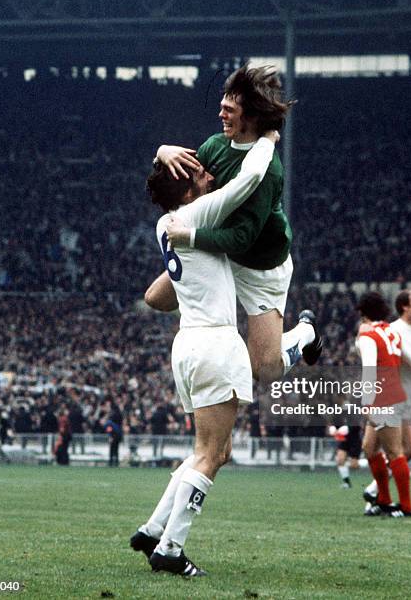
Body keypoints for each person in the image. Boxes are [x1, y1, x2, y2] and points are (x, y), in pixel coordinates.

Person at [130, 130, 280, 577]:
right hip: (215, 342)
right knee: (210, 454)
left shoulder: (165, 225)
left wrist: (160, 149)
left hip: (187, 345)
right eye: (199, 173)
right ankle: (171, 549)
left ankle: (154, 529)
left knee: (213, 450)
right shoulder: (195, 212)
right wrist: (269, 138)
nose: (208, 174)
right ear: (190, 190)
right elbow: (249, 179)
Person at [144, 64, 322, 383]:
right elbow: (183, 180)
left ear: (251, 118)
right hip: (218, 249)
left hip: (259, 266)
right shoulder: (215, 146)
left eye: (229, 109)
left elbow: (242, 238)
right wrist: (162, 152)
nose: (221, 114)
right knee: (155, 298)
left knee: (265, 371)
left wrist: (190, 236)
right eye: (222, 106)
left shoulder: (268, 171)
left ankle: (306, 332)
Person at [362, 289, 411, 504]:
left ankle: (379, 495)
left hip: (396, 396)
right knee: (399, 449)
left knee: (385, 449)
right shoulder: (392, 330)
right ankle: (379, 495)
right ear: (404, 307)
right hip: (392, 395)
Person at [356, 292, 411, 518]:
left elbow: (370, 368)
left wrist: (367, 402)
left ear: (363, 314)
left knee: (394, 452)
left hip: (383, 398)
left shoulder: (369, 335)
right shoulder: (391, 331)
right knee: (369, 448)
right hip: (394, 394)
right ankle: (384, 499)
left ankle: (405, 507)